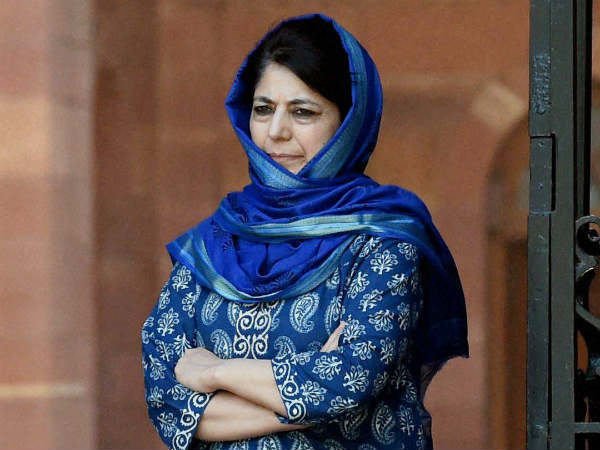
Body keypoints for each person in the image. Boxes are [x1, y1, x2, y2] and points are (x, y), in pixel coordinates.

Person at [142, 13, 468, 450]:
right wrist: (305, 398)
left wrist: (215, 373)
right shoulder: (212, 244)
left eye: (302, 112)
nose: (276, 132)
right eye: (263, 109)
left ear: (348, 122)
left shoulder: (382, 240)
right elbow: (166, 401)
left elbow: (352, 380)